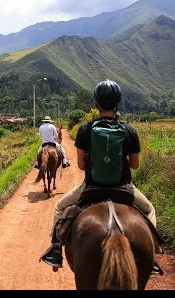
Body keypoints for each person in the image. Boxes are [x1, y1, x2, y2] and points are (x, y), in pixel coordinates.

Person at [39, 79, 161, 274]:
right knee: (149, 209)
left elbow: (80, 165)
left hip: (91, 188)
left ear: (96, 104)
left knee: (60, 206)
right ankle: (152, 256)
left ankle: (55, 250)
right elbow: (135, 165)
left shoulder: (85, 130)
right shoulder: (130, 131)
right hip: (124, 188)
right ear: (118, 103)